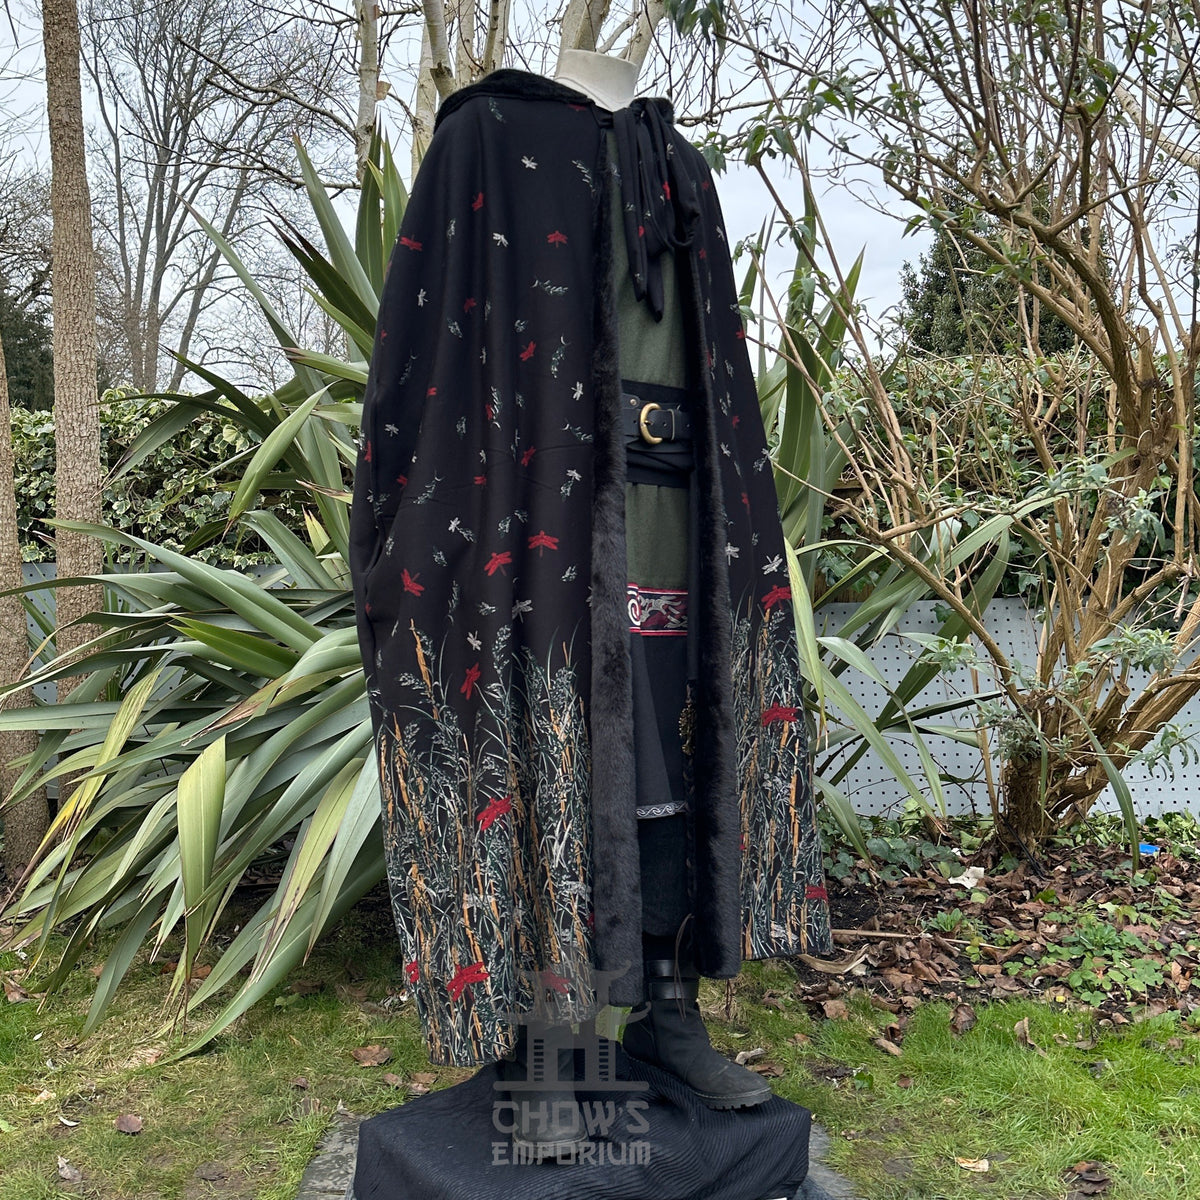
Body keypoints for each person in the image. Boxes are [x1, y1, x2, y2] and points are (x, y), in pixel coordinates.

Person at [349, 49, 832, 1157]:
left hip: (678, 527)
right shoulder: (486, 137)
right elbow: (429, 343)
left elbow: (719, 365)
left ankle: (667, 1017)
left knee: (674, 766)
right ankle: (555, 1046)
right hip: (539, 532)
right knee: (552, 758)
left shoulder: (683, 167)